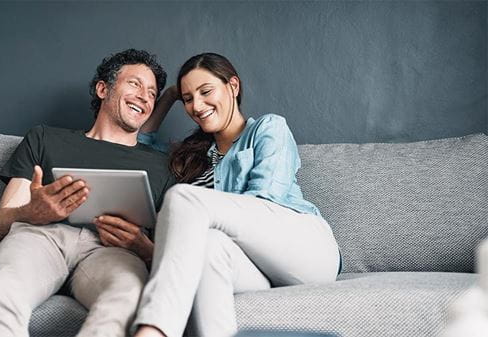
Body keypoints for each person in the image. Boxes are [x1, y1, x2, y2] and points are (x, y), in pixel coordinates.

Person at [129, 53, 342, 337]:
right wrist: (169, 96)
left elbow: (264, 202)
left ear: (233, 86)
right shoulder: (194, 157)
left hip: (306, 249)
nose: (197, 105)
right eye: (188, 98)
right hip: (255, 266)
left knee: (184, 199)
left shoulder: (268, 128)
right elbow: (141, 141)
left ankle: (154, 331)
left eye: (206, 92)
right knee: (208, 247)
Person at [0, 49, 175, 337]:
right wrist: (31, 213)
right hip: (40, 238)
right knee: (0, 289)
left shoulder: (162, 165)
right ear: (103, 89)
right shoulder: (45, 138)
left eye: (152, 92)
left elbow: (171, 256)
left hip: (113, 253)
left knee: (128, 298)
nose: (144, 96)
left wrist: (141, 246)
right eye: (134, 84)